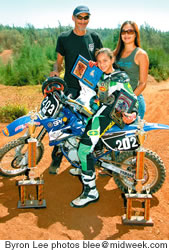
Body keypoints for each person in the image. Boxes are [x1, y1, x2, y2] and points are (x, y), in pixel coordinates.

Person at [70, 48, 138, 208]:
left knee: (83, 150)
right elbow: (92, 85)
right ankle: (89, 164)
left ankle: (91, 191)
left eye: (105, 61)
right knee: (83, 133)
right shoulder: (102, 75)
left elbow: (131, 96)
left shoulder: (120, 77)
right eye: (99, 61)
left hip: (107, 116)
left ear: (112, 60)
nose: (102, 64)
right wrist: (92, 67)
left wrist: (132, 112)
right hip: (100, 112)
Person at [49, 5, 103, 174]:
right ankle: (57, 157)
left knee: (93, 121)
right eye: (79, 17)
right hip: (70, 87)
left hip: (90, 88)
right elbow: (58, 61)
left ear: (89, 19)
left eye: (86, 18)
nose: (82, 21)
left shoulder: (94, 37)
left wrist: (98, 65)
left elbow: (102, 59)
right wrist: (56, 70)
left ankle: (96, 158)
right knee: (61, 121)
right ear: (73, 18)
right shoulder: (64, 38)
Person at [113, 21, 149, 120]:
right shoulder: (115, 53)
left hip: (133, 103)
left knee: (134, 135)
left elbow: (143, 83)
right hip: (117, 103)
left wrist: (128, 100)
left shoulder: (141, 54)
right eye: (123, 32)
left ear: (135, 34)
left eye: (130, 31)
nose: (126, 34)